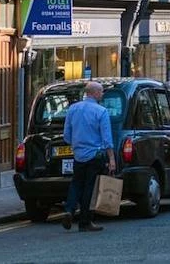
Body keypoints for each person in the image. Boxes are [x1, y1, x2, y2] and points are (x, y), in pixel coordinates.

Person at [62, 82, 116, 232]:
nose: (103, 94)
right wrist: (111, 159)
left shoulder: (73, 109)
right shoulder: (101, 111)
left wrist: (77, 145)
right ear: (95, 93)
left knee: (76, 183)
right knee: (90, 187)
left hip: (78, 155)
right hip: (95, 154)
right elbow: (107, 139)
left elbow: (66, 135)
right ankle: (85, 222)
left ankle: (69, 209)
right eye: (101, 92)